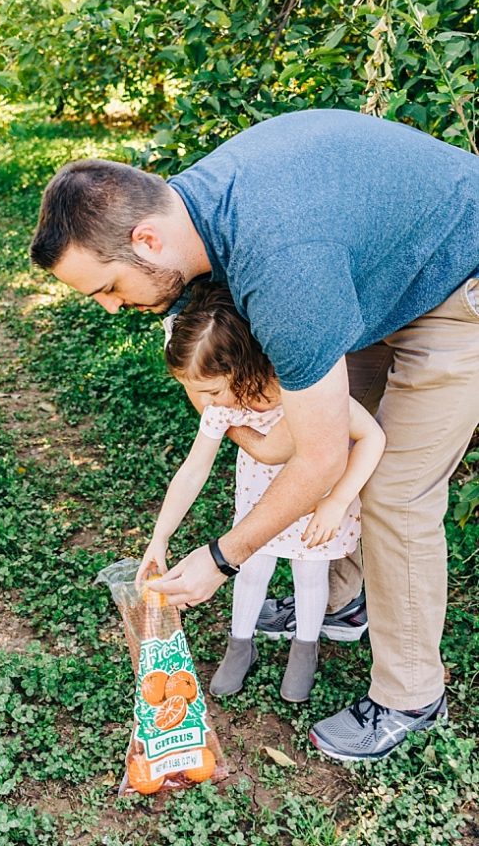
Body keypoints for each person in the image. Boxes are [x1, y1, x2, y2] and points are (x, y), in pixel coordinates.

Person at [29, 112, 479, 761]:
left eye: (109, 287)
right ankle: (343, 598)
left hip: (458, 279)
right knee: (341, 436)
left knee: (395, 491)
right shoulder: (194, 219)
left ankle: (411, 698)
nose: (109, 307)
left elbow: (322, 457)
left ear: (147, 240)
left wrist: (221, 560)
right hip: (374, 280)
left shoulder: (284, 271)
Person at [142, 279, 384, 705]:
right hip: (259, 513)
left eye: (212, 390)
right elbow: (193, 470)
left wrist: (338, 500)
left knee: (310, 575)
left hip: (314, 508)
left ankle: (304, 649)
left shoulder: (305, 389)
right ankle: (241, 643)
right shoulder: (224, 408)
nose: (206, 403)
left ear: (243, 366)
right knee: (249, 569)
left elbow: (372, 438)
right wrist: (160, 537)